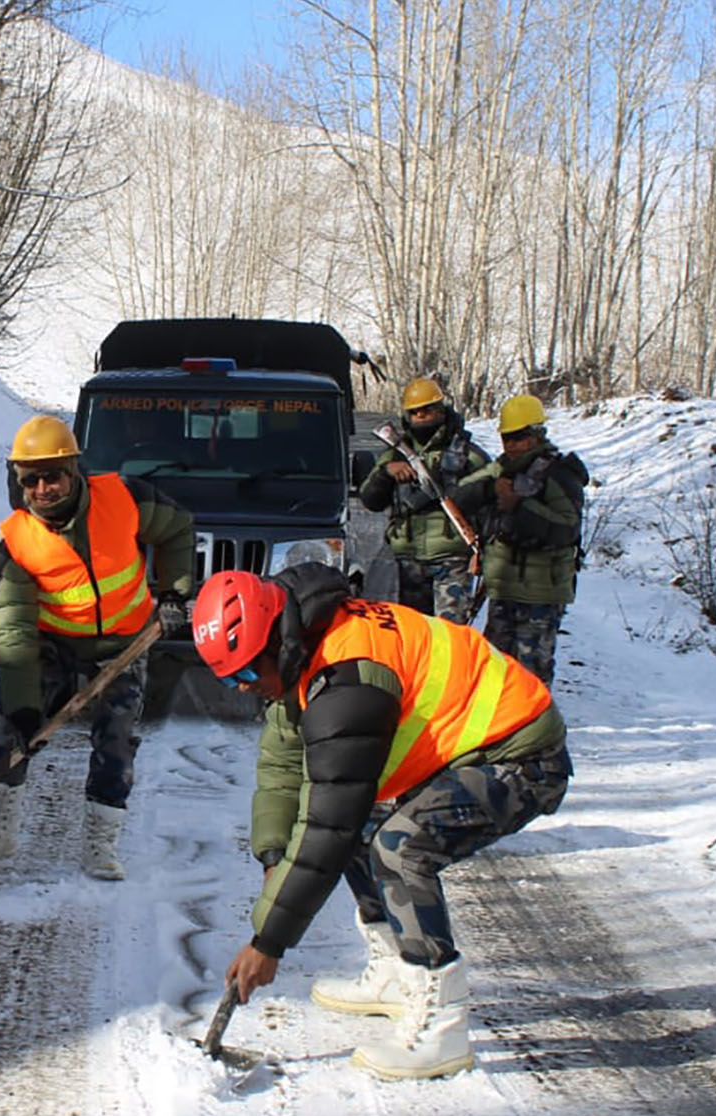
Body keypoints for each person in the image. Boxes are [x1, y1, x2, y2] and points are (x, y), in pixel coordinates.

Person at [194, 563, 570, 1080]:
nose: (241, 689)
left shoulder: (346, 678)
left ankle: (442, 1025)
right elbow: (283, 764)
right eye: (228, 679)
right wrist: (274, 855)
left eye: (246, 675)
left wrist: (268, 943)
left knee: (399, 847)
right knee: (361, 830)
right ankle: (394, 972)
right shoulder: (302, 639)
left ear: (274, 644)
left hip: (521, 755)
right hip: (471, 745)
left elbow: (329, 822)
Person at [0, 415, 194, 880]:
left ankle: (100, 844)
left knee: (116, 736)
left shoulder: (125, 498)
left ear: (73, 469)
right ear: (18, 481)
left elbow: (178, 528)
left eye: (53, 475)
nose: (43, 488)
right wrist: (25, 708)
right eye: (31, 479)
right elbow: (14, 634)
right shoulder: (15, 544)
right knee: (10, 725)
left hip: (125, 642)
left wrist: (173, 594)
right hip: (54, 642)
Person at [445, 393, 587, 684]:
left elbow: (567, 529)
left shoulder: (560, 474)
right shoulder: (501, 468)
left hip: (540, 594)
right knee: (495, 673)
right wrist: (489, 490)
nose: (510, 445)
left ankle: (534, 729)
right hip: (503, 588)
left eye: (518, 437)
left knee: (531, 676)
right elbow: (458, 497)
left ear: (536, 435)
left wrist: (519, 506)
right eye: (507, 437)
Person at [356, 376, 490, 624]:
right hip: (409, 562)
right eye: (415, 412)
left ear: (441, 409)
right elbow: (370, 500)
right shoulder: (394, 453)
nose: (421, 416)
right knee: (415, 635)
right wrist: (386, 474)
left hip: (453, 560)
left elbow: (492, 504)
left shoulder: (468, 455)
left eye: (427, 409)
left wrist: (482, 552)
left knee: (451, 636)